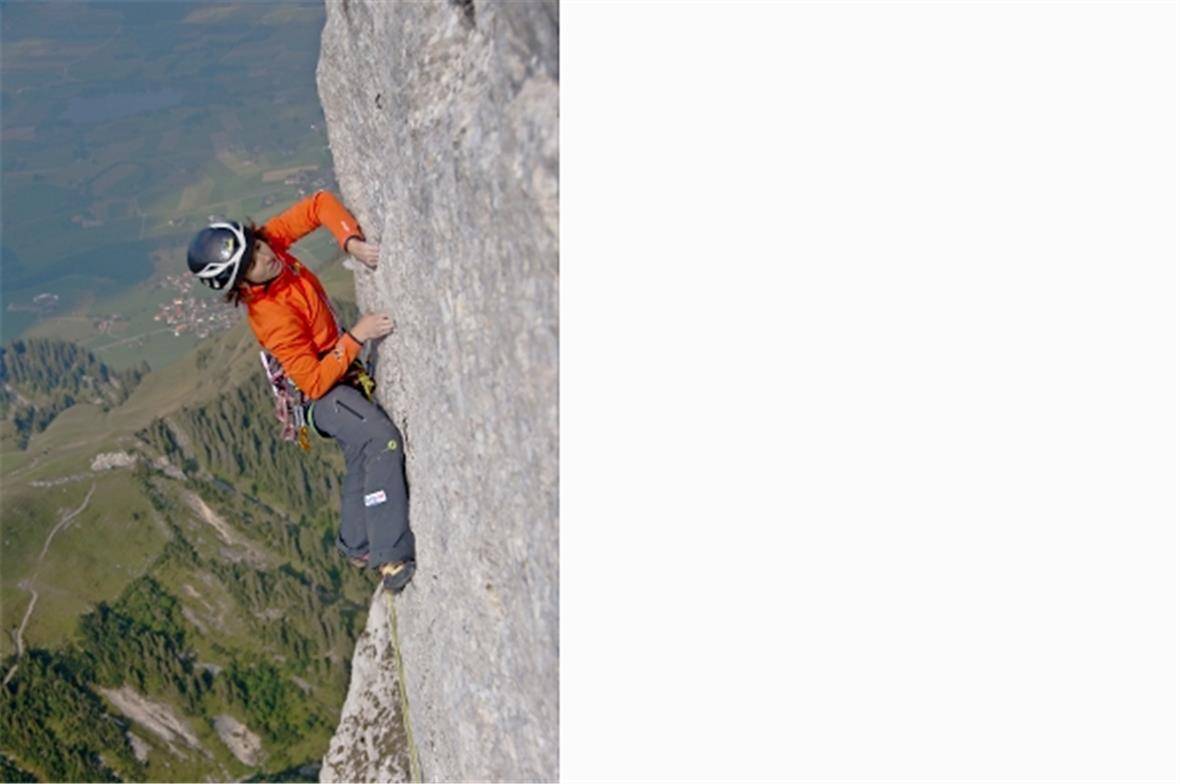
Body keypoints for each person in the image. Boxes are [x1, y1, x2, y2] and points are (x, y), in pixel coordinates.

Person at [185, 190, 416, 593]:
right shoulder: (271, 316)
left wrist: (350, 240)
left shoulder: (270, 245)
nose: (265, 256)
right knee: (380, 440)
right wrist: (356, 337)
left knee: (360, 449)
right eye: (251, 262)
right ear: (241, 283)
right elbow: (313, 382)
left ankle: (356, 541)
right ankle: (389, 556)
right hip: (320, 394)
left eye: (256, 245)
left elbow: (318, 204)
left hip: (334, 370)